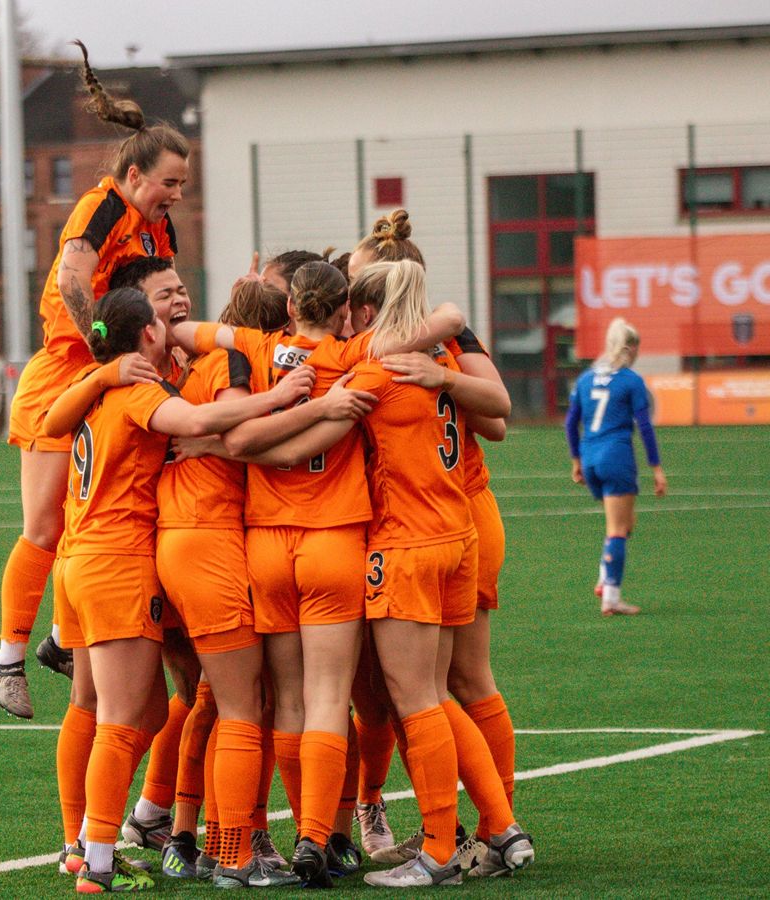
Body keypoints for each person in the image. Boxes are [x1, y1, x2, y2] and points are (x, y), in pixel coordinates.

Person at [239, 259, 531, 888]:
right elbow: (501, 410)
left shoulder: (367, 369)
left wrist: (230, 444)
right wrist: (442, 373)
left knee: (413, 700)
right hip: (459, 535)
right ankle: (499, 827)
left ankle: (436, 849)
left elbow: (294, 438)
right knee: (449, 688)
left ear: (363, 312)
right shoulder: (440, 358)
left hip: (402, 543)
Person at [41, 287, 315, 892]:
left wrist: (100, 374)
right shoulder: (137, 390)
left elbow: (49, 420)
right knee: (126, 717)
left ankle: (86, 845)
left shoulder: (93, 388)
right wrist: (278, 395)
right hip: (122, 560)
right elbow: (195, 421)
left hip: (80, 561)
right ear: (145, 336)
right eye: (161, 321)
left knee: (123, 712)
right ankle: (103, 865)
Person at [0, 41, 192, 719]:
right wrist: (106, 354)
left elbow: (163, 297)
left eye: (183, 187)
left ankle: (58, 639)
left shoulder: (159, 231)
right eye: (169, 183)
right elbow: (74, 282)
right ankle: (8, 655)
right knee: (46, 525)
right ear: (135, 175)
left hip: (123, 376)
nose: (176, 196)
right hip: (71, 375)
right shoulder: (102, 209)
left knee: (110, 519)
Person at [565, 317, 667, 616]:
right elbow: (644, 426)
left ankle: (604, 575)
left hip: (591, 456)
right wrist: (657, 468)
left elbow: (571, 422)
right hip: (616, 457)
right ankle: (611, 596)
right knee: (618, 530)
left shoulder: (585, 379)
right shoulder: (631, 380)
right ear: (630, 348)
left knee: (625, 523)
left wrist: (576, 460)